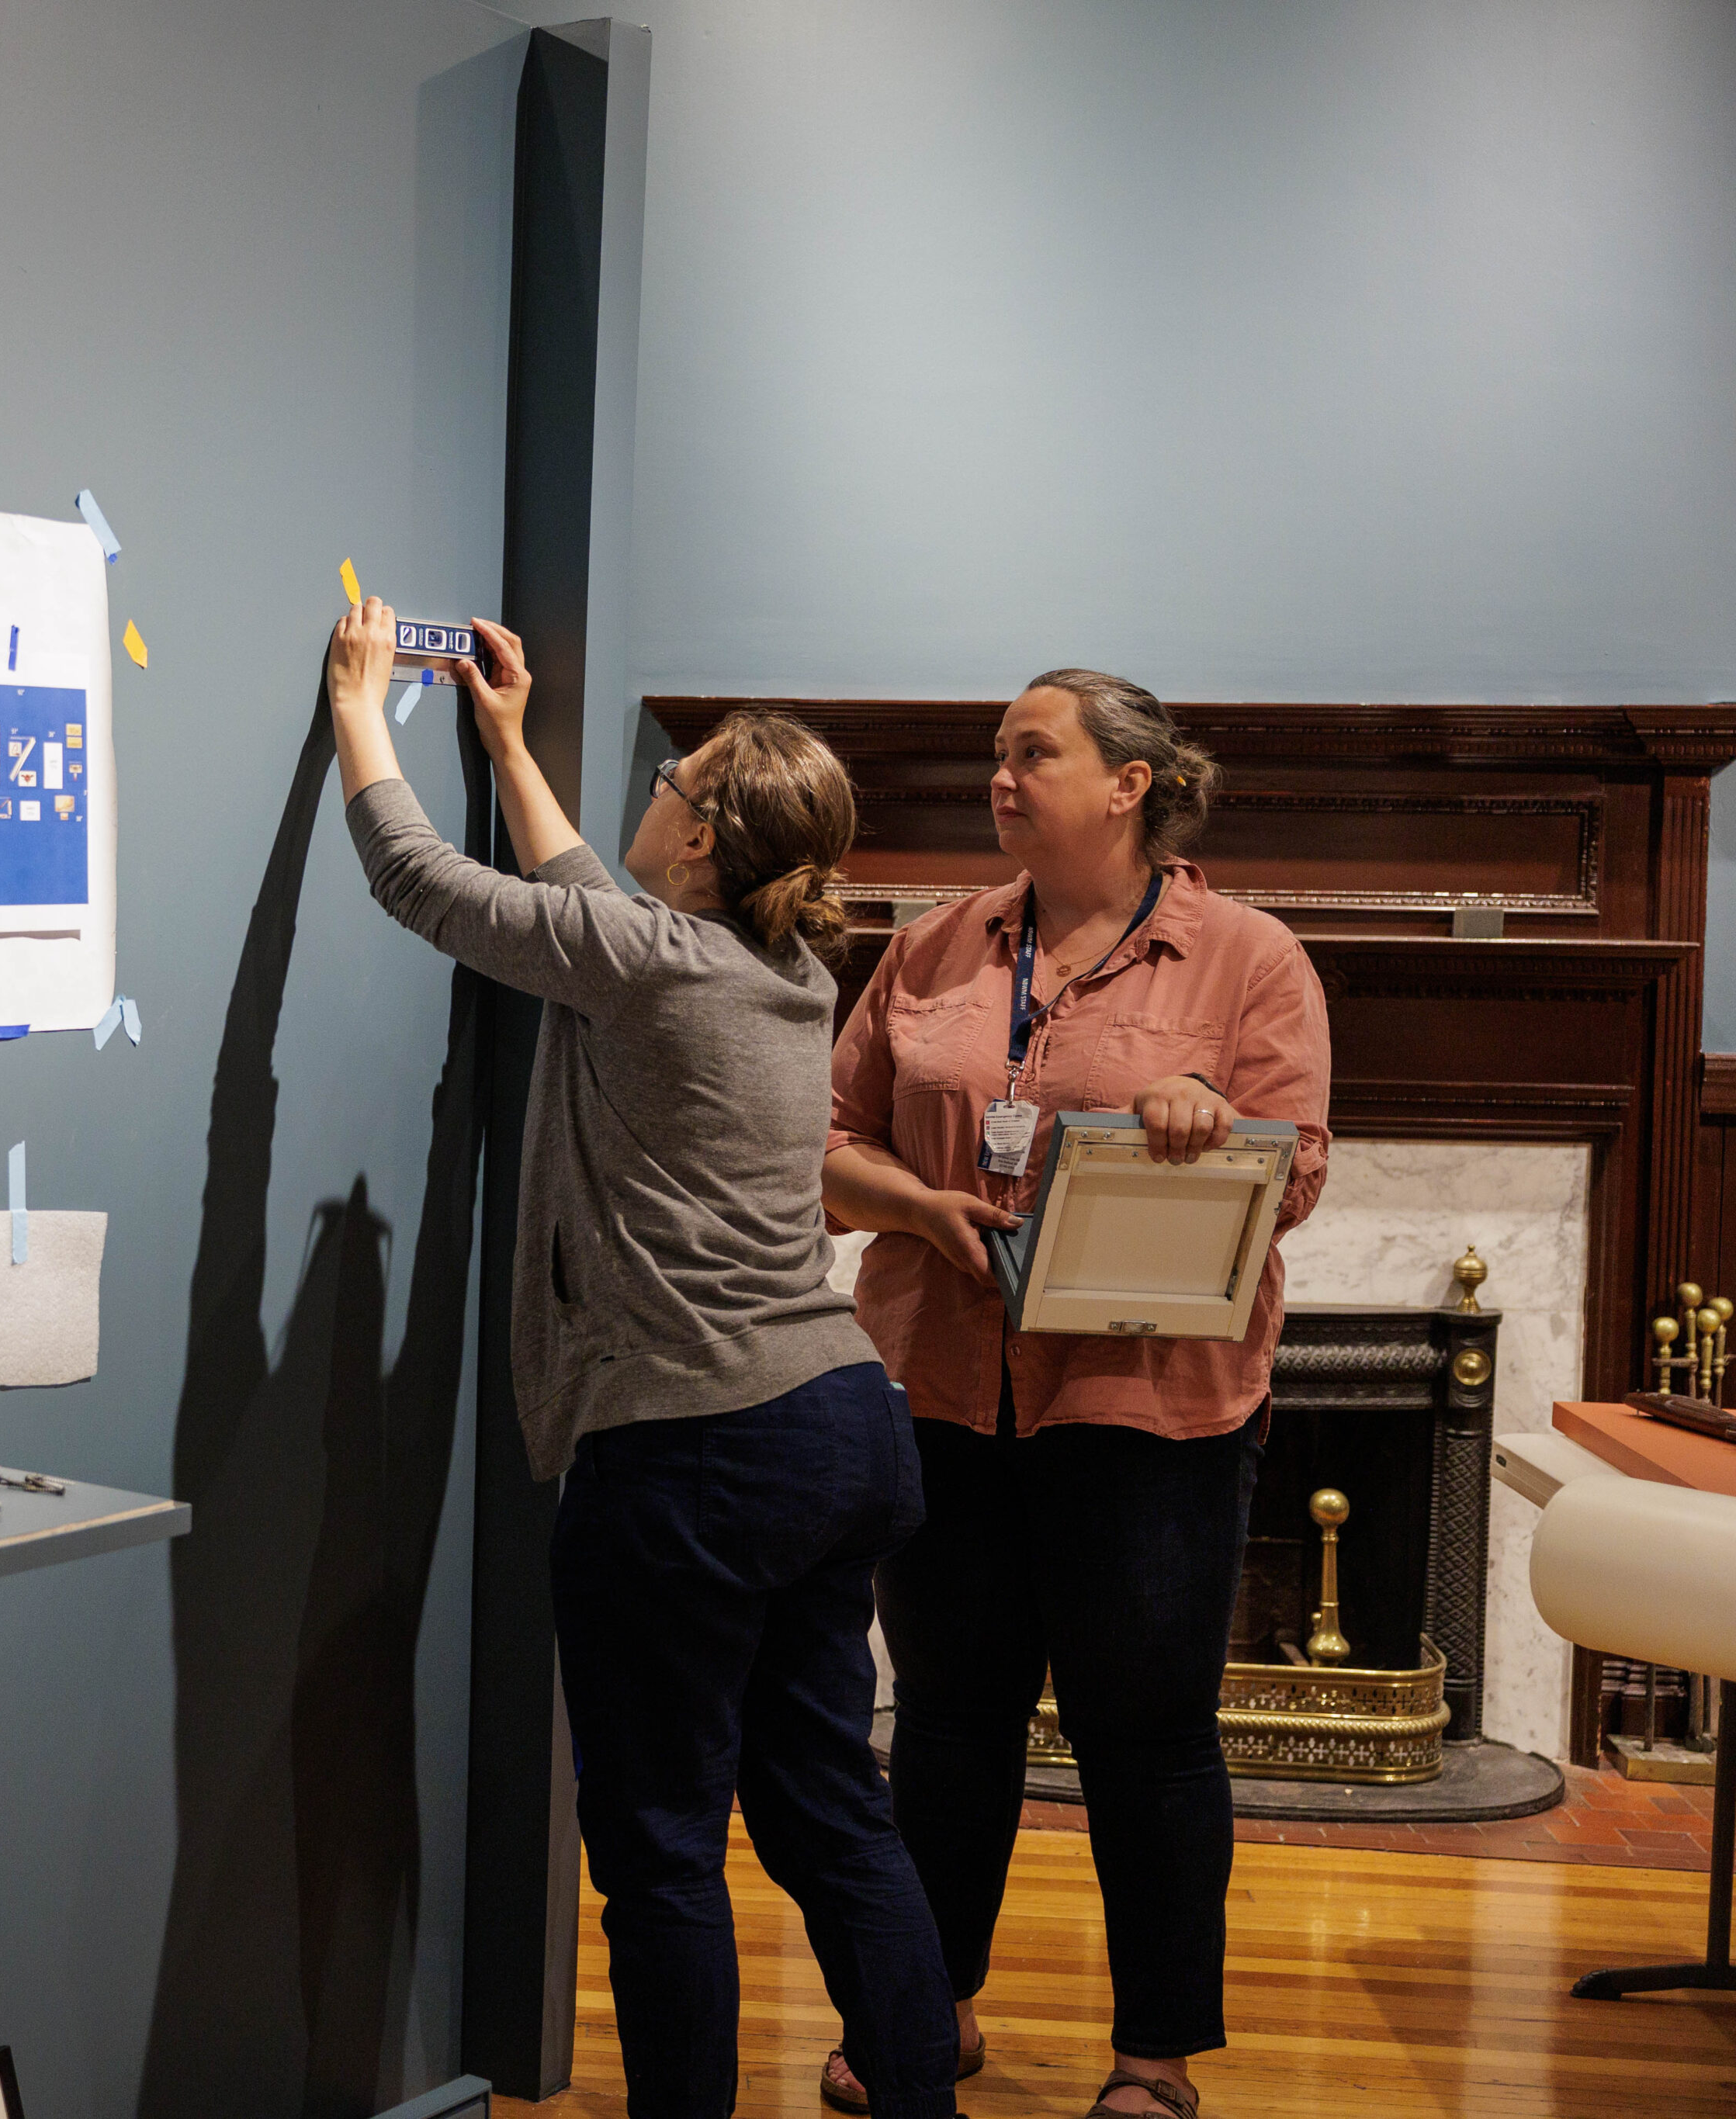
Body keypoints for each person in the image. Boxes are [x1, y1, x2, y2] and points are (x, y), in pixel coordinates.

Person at [325, 594, 960, 2119]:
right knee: (833, 1823)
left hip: (690, 1454)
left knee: (664, 1847)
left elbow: (423, 878)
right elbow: (586, 903)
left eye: (673, 787)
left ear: (697, 842)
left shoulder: (643, 961)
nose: (652, 793)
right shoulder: (785, 973)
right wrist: (499, 733)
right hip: (836, 1429)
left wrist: (359, 707)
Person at [819, 671, 1331, 2119]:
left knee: (1148, 1733)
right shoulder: (929, 947)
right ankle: (932, 2015)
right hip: (940, 1393)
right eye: (997, 753)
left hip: (1150, 1414)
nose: (1000, 775)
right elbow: (829, 1138)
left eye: (1032, 753)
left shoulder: (1249, 960)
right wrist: (922, 1209)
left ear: (1132, 784)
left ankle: (1153, 2057)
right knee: (949, 1718)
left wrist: (1212, 1121)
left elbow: (1293, 1175)